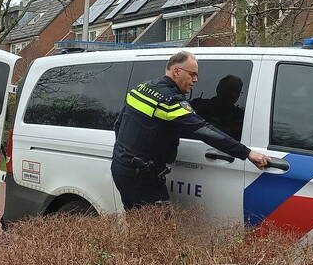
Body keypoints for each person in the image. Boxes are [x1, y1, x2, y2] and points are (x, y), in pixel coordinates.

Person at [111, 51, 270, 210]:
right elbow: (203, 130)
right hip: (141, 176)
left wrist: (128, 154)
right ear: (176, 71)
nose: (196, 80)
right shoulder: (169, 100)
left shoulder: (142, 87)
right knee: (156, 228)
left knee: (138, 223)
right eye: (192, 74)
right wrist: (246, 153)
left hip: (122, 166)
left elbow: (118, 124)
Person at [190, 74, 246, 140]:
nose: (233, 94)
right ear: (219, 89)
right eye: (230, 89)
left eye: (237, 91)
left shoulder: (240, 116)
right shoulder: (199, 106)